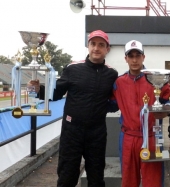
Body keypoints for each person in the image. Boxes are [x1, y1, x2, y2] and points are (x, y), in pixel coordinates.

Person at [29, 30, 118, 187]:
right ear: (88, 46)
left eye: (101, 45)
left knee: (96, 177)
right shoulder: (73, 68)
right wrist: (38, 90)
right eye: (93, 44)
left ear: (107, 49)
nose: (96, 48)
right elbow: (56, 93)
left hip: (97, 132)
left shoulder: (112, 73)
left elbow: (114, 102)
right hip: (72, 130)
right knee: (67, 176)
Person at [113, 40, 170, 187]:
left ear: (143, 57)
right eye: (130, 56)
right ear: (125, 58)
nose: (134, 60)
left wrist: (164, 112)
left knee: (153, 180)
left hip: (152, 136)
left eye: (137, 55)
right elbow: (109, 104)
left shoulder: (157, 79)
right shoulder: (118, 82)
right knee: (128, 180)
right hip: (128, 136)